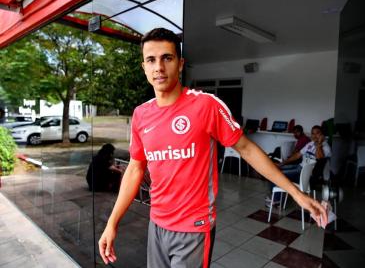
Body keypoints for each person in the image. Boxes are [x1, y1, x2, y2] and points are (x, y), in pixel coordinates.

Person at [98, 28, 327, 268]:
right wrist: (112, 223)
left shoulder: (206, 105)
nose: (159, 67)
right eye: (151, 60)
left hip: (193, 229)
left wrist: (295, 192)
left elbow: (247, 149)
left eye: (167, 58)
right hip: (156, 225)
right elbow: (135, 169)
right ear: (143, 67)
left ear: (180, 64)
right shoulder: (141, 115)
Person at [266, 125, 331, 206]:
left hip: (306, 175)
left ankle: (276, 200)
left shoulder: (326, 147)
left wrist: (319, 144)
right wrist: (282, 163)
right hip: (300, 167)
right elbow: (298, 155)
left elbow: (319, 158)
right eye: (313, 133)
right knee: (274, 169)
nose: (314, 136)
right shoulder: (310, 144)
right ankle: (276, 196)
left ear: (322, 135)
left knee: (276, 174)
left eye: (317, 133)